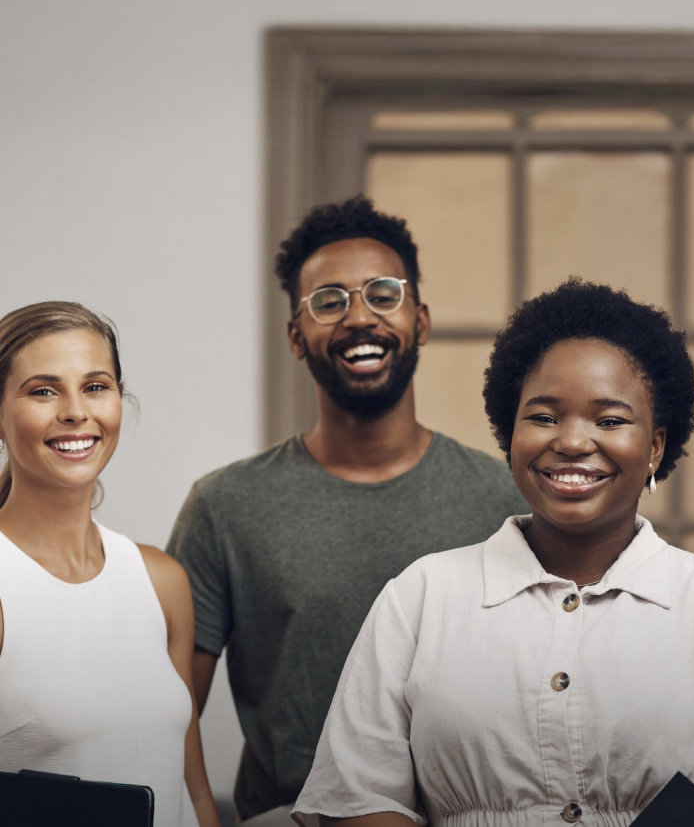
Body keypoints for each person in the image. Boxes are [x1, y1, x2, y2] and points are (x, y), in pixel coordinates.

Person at [293, 279, 694, 827]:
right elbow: (357, 799)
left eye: (610, 420)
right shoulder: (420, 596)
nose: (572, 442)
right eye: (544, 417)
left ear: (655, 447)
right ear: (510, 435)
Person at [167, 195, 528, 823]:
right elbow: (165, 718)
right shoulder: (225, 506)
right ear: (295, 336)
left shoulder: (506, 500)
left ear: (420, 320)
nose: (359, 317)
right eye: (329, 302)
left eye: (383, 294)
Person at [0, 301, 219, 827]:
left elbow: (195, 792)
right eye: (43, 390)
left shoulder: (161, 580)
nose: (76, 411)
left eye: (96, 386)